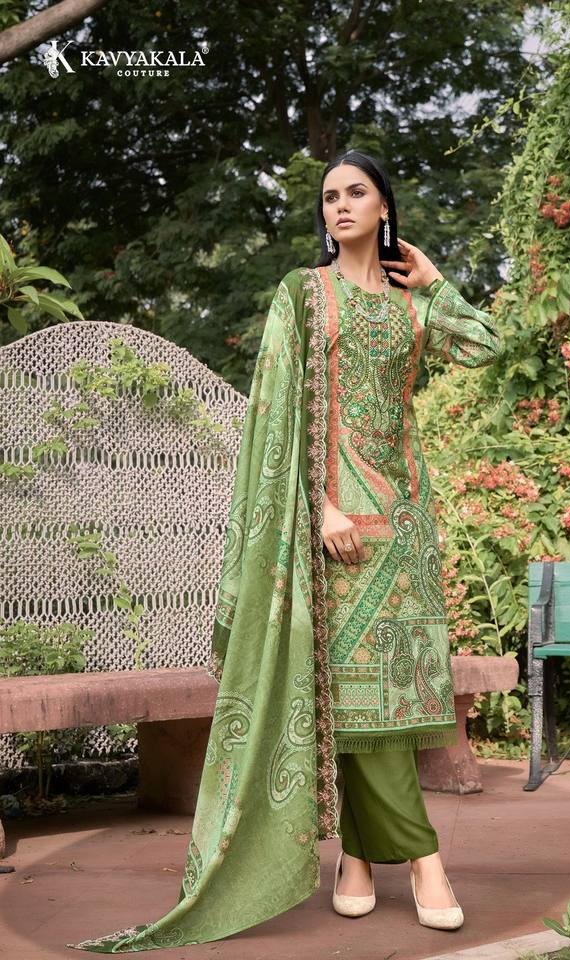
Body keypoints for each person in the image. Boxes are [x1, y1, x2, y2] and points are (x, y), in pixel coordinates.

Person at [65, 149, 501, 953]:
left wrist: (437, 283)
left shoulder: (414, 305)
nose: (340, 206)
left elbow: (486, 346)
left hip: (405, 527)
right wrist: (320, 506)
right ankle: (427, 860)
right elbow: (275, 414)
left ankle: (359, 859)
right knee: (351, 697)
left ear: (384, 207)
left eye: (356, 193)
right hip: (331, 527)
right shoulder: (304, 295)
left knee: (393, 705)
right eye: (329, 197)